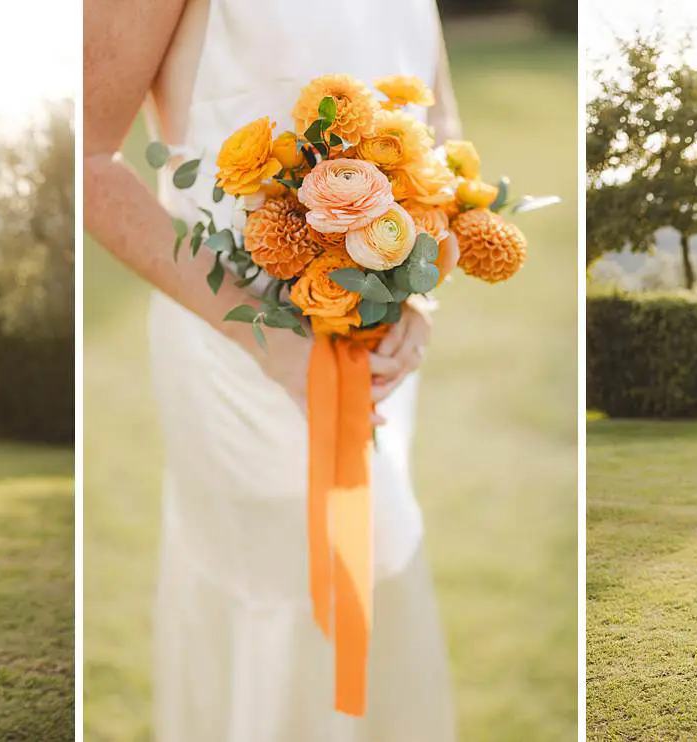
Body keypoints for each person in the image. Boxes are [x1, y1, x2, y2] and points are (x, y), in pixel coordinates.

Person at [84, 0, 459, 738]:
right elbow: (90, 158)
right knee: (280, 588)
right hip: (239, 358)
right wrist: (275, 345)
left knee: (379, 559)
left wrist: (418, 292)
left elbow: (441, 131)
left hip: (374, 351)